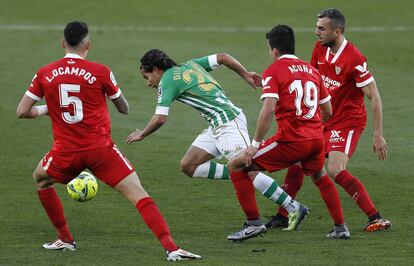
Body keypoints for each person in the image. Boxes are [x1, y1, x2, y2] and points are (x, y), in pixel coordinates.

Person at [16, 21, 200, 261]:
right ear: (88, 45)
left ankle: (65, 239)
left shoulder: (45, 72)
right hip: (101, 151)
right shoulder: (100, 71)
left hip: (65, 152)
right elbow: (123, 108)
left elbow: (22, 111)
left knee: (41, 179)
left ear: (63, 43)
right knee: (139, 195)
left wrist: (48, 109)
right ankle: (172, 248)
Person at [126, 49, 310, 238]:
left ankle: (292, 207)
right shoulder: (190, 64)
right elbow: (222, 57)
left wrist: (143, 134)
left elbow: (160, 118)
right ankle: (238, 175)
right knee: (188, 165)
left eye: (146, 76)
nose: (148, 83)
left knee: (249, 170)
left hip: (228, 123)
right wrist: (245, 73)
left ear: (156, 69)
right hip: (216, 124)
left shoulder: (167, 80)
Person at [268, 8, 392, 232]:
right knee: (297, 159)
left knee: (335, 168)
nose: (316, 33)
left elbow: (374, 95)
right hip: (323, 119)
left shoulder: (354, 58)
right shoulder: (320, 49)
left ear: (337, 31)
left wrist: (378, 134)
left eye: (321, 29)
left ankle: (376, 217)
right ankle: (282, 215)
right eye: (317, 28)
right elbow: (312, 79)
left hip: (347, 122)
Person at [227, 24, 351, 240]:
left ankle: (253, 224)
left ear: (274, 50)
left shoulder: (274, 71)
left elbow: (268, 109)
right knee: (320, 175)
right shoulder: (312, 71)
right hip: (316, 139)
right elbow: (328, 110)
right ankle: (341, 227)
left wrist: (254, 144)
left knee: (236, 164)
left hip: (292, 140)